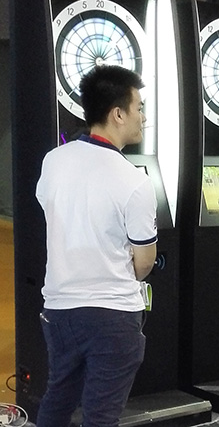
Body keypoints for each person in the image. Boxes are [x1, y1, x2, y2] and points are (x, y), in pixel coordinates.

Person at [35, 65, 157, 427]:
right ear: (118, 114)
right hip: (113, 315)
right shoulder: (134, 181)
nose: (143, 118)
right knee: (101, 416)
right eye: (139, 108)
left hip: (58, 310)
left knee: (57, 399)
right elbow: (144, 263)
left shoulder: (53, 160)